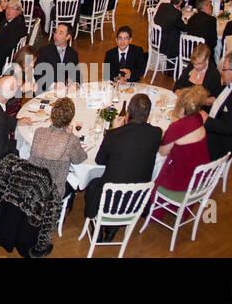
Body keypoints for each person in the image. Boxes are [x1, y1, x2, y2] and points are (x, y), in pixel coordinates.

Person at [83, 93, 161, 226]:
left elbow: (100, 160)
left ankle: (99, 225)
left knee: (92, 184)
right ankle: (111, 232)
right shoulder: (157, 133)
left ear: (128, 111)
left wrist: (114, 130)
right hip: (137, 198)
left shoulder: (115, 135)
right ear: (148, 113)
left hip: (111, 200)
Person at [27, 97, 89, 199]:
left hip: (33, 184)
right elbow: (80, 159)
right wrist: (71, 135)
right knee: (76, 178)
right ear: (71, 118)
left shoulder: (39, 132)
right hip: (53, 191)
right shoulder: (71, 140)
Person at [155, 85, 211, 196]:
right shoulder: (198, 117)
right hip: (201, 175)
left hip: (183, 182)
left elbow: (162, 152)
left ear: (183, 109)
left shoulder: (177, 128)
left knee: (155, 161)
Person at [34, 23, 80, 91]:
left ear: (68, 37)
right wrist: (53, 85)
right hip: (44, 91)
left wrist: (75, 84)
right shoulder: (44, 51)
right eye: (55, 32)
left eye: (60, 33)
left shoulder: (73, 54)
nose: (56, 35)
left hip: (62, 91)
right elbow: (38, 75)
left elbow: (76, 74)